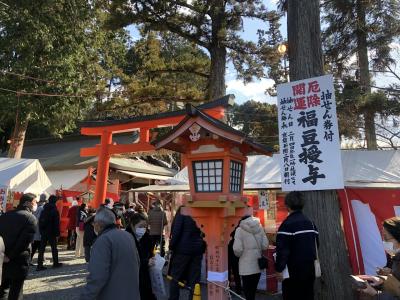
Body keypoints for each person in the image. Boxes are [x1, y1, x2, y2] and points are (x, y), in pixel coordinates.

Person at [79, 207, 140, 300]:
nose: (93, 226)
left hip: (112, 294)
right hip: (132, 293)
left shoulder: (103, 240)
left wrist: (85, 297)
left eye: (94, 223)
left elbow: (97, 276)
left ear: (99, 224)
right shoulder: (128, 235)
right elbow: (137, 262)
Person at [275, 191, 318, 300]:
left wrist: (279, 269)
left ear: (287, 206)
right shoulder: (311, 223)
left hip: (292, 272)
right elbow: (316, 244)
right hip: (309, 269)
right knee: (308, 296)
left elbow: (282, 251)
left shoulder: (286, 225)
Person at [0, 193, 37, 299]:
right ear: (28, 203)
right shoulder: (31, 218)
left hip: (3, 257)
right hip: (19, 259)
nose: (36, 204)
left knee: (3, 288)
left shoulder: (5, 215)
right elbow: (24, 243)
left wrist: (4, 255)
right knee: (16, 290)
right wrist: (10, 257)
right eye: (35, 202)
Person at [169, 206, 206, 300]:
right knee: (195, 278)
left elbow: (176, 230)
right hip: (197, 249)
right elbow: (205, 230)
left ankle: (173, 298)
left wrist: (171, 246)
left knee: (175, 276)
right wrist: (203, 246)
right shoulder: (200, 210)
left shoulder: (183, 210)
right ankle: (193, 297)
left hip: (182, 249)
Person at [359, 217, 400, 299]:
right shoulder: (395, 257)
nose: (384, 242)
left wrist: (375, 294)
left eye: (386, 238)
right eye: (382, 237)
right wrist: (381, 280)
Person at [233, 216, 268, 300]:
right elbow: (265, 245)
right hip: (257, 266)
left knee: (248, 293)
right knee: (253, 291)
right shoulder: (260, 227)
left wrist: (238, 255)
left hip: (246, 267)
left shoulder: (239, 230)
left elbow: (237, 249)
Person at [126, 213, 156, 300]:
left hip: (145, 277)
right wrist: (146, 262)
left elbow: (150, 254)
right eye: (141, 226)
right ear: (132, 225)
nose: (143, 229)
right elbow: (127, 260)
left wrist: (153, 259)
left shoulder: (147, 238)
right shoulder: (126, 238)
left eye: (145, 226)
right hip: (131, 278)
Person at [37, 195, 63, 271]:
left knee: (41, 249)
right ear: (55, 201)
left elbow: (40, 221)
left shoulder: (44, 209)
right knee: (54, 248)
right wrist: (57, 233)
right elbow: (56, 223)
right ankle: (55, 263)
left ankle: (39, 265)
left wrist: (41, 231)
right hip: (52, 232)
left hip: (44, 231)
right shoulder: (55, 210)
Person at [228, 216, 252, 295]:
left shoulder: (229, 226)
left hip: (228, 250)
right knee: (236, 271)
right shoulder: (239, 226)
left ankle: (229, 289)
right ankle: (238, 289)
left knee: (229, 270)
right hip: (235, 251)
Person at [30, 196, 47, 262]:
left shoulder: (35, 207)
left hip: (35, 229)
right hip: (39, 230)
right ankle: (32, 260)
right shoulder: (42, 208)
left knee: (37, 245)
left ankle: (42, 258)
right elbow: (39, 219)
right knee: (37, 245)